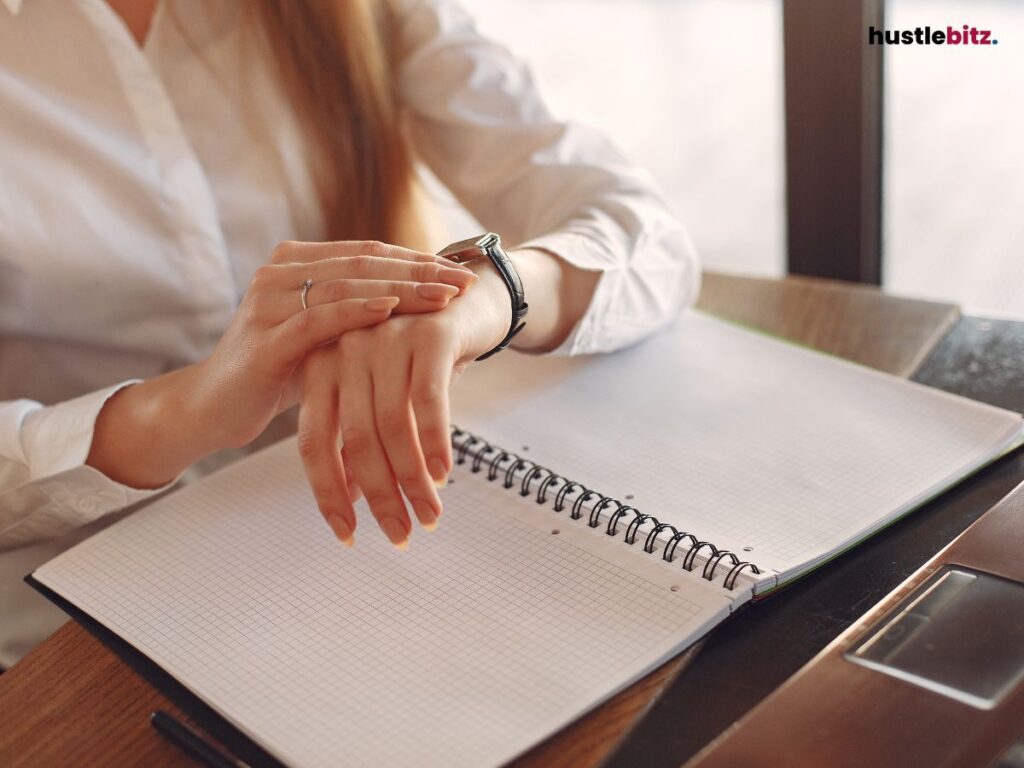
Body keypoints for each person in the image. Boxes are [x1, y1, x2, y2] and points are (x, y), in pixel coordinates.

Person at [0, 0, 699, 666]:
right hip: (69, 620)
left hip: (363, 554)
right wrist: (176, 413)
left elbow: (651, 238)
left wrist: (485, 298)